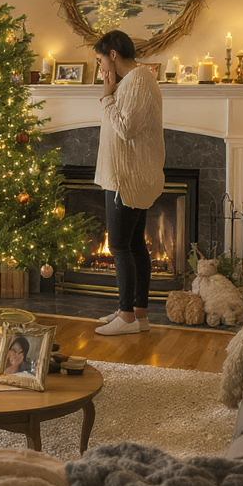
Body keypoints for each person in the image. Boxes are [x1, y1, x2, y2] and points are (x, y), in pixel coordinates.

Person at [92, 30, 166, 336]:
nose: (99, 67)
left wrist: (108, 98)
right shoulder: (132, 81)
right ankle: (138, 314)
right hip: (125, 175)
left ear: (112, 55)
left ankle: (125, 315)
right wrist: (112, 92)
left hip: (127, 178)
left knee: (120, 245)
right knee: (134, 245)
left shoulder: (138, 79)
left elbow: (126, 128)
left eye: (99, 59)